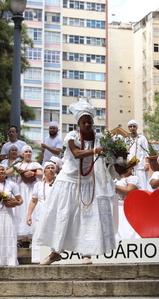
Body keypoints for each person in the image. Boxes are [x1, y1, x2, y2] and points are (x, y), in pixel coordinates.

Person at [35, 97, 116, 265]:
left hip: (89, 182)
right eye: (83, 122)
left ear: (93, 122)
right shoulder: (72, 136)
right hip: (69, 181)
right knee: (64, 216)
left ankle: (86, 253)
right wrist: (95, 150)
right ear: (78, 124)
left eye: (89, 121)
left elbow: (109, 156)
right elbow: (76, 153)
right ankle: (55, 252)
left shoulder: (99, 137)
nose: (86, 124)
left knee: (87, 218)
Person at [6, 145, 43, 244]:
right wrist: (16, 169)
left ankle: (32, 238)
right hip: (21, 189)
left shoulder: (35, 164)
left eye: (30, 152)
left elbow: (41, 174)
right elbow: (7, 173)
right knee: (19, 211)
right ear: (22, 154)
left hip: (31, 188)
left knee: (32, 210)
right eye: (26, 152)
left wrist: (33, 174)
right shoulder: (18, 164)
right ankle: (19, 239)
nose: (28, 153)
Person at [27, 162, 57, 263]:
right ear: (44, 171)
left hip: (55, 215)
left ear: (56, 171)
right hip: (41, 214)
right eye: (48, 168)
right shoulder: (38, 185)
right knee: (39, 235)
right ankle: (37, 259)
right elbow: (33, 200)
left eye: (52, 168)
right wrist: (29, 215)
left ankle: (52, 256)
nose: (50, 170)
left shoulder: (59, 183)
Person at [115, 166, 141, 240]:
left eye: (128, 166)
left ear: (131, 169)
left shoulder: (133, 178)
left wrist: (113, 186)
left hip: (126, 207)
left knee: (126, 228)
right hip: (115, 207)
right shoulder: (116, 179)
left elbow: (128, 191)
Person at [125, 120, 150, 191]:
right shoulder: (127, 139)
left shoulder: (142, 138)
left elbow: (146, 152)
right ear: (128, 128)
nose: (132, 128)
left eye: (134, 126)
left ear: (136, 128)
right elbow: (125, 152)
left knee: (142, 186)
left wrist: (147, 163)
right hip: (131, 167)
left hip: (140, 166)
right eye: (130, 126)